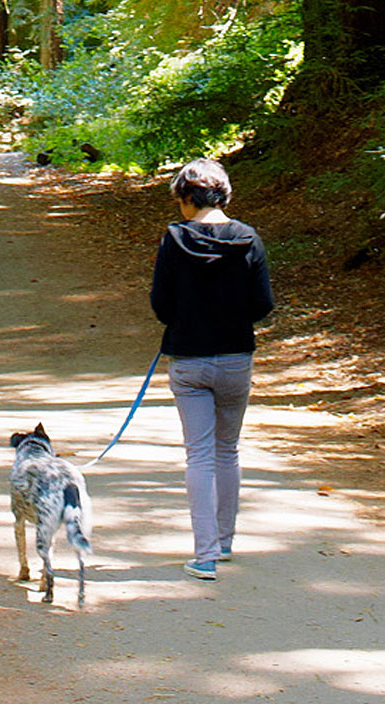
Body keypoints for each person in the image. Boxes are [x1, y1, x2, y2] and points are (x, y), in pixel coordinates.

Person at [149, 157, 274, 582]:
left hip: (189, 359)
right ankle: (223, 542)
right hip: (236, 357)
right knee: (228, 449)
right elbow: (263, 305)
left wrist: (186, 317)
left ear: (187, 198)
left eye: (180, 201)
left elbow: (161, 305)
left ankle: (203, 555)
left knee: (198, 454)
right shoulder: (248, 238)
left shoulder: (174, 239)